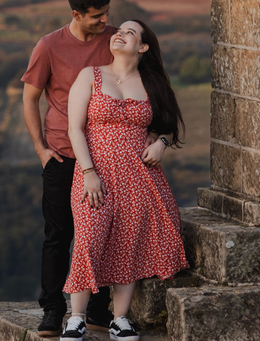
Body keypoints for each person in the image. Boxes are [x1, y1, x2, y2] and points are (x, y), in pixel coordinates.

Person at [59, 19, 188, 341]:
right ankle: (76, 317)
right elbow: (74, 129)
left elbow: (168, 126)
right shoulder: (91, 75)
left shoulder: (152, 84)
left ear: (143, 47)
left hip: (138, 176)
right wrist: (88, 172)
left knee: (127, 244)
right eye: (119, 30)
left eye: (130, 32)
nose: (120, 33)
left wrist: (161, 143)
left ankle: (119, 319)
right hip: (95, 173)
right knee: (88, 239)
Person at [22, 0, 117, 336]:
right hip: (62, 156)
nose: (104, 21)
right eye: (96, 16)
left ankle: (96, 309)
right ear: (75, 14)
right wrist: (40, 149)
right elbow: (30, 99)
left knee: (101, 233)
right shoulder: (49, 46)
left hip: (106, 154)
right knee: (59, 235)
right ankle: (51, 309)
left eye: (106, 13)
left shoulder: (114, 39)